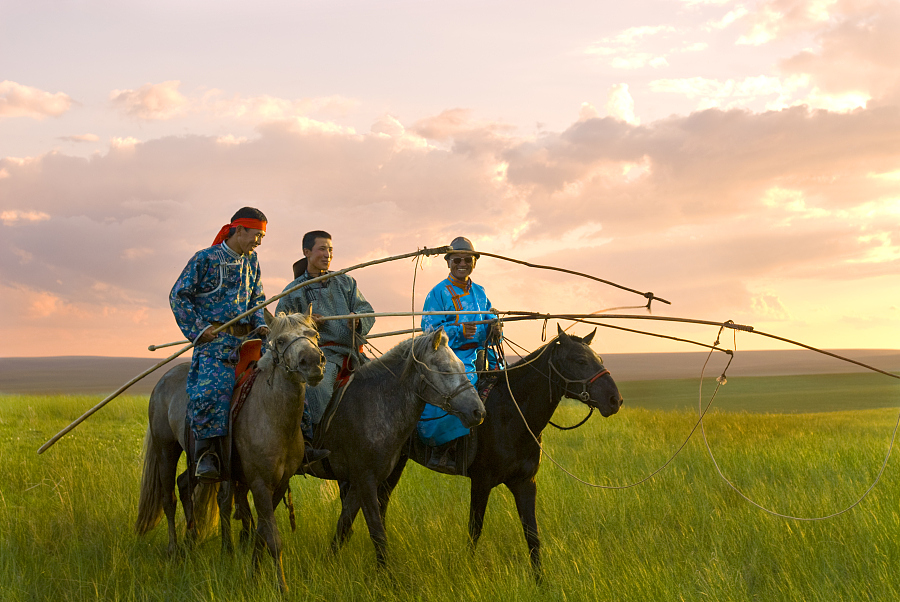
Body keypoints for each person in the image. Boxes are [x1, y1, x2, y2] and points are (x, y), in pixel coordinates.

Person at [170, 207, 270, 481]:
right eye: (256, 235)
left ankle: (301, 443)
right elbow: (179, 296)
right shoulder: (205, 259)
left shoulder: (253, 261)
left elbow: (257, 297)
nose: (258, 242)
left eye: (262, 237)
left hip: (248, 341)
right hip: (215, 344)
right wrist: (200, 329)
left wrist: (259, 321)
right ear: (239, 230)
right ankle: (206, 455)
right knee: (213, 390)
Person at [276, 230, 375, 436]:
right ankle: (315, 438)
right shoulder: (292, 291)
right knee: (317, 388)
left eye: (330, 250)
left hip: (354, 354)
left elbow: (367, 311)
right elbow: (282, 327)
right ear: (307, 252)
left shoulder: (346, 282)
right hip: (320, 357)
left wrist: (357, 319)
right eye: (322, 249)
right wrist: (306, 323)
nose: (327, 254)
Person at [418, 236, 501, 447]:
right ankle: (443, 446)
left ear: (474, 263)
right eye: (457, 260)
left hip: (480, 354)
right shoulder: (437, 293)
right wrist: (458, 332)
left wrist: (494, 327)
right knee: (459, 392)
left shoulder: (480, 292)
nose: (462, 264)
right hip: (449, 358)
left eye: (467, 260)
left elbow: (488, 319)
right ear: (448, 262)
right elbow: (428, 329)